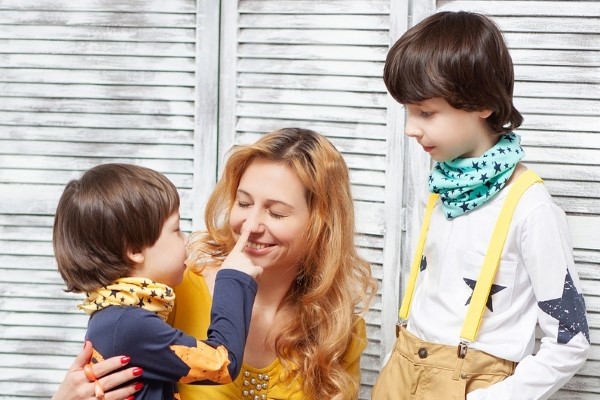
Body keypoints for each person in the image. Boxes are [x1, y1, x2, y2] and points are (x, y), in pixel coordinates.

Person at [371, 11, 590, 400]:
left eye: (425, 112)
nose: (409, 128)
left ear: (482, 103)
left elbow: (569, 340)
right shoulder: (439, 188)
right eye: (407, 110)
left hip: (475, 385)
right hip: (401, 373)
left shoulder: (530, 208)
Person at [170, 128, 377, 400]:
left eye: (276, 213)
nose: (251, 225)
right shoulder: (178, 291)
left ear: (321, 223)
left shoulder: (336, 328)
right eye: (243, 203)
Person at [52, 163, 262, 399]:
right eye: (177, 229)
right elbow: (221, 364)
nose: (186, 240)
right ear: (134, 249)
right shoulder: (128, 322)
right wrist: (233, 279)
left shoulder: (114, 316)